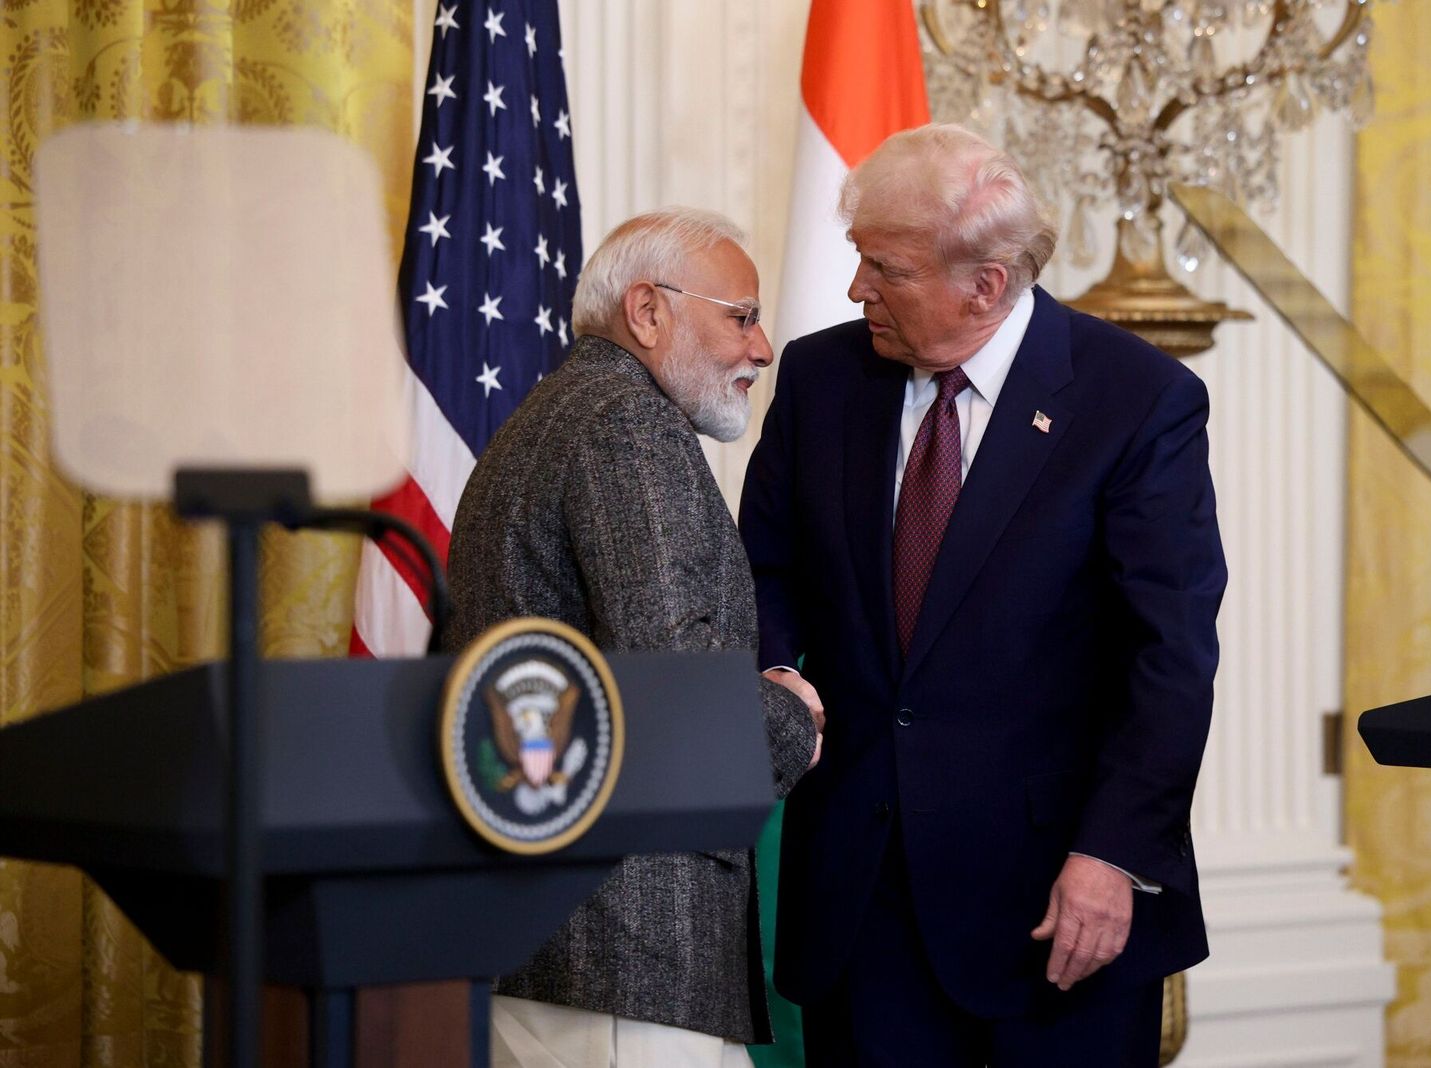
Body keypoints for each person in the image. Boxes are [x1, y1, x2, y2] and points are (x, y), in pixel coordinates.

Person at [739, 124, 1226, 1066]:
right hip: (862, 901)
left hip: (1056, 906)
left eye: (886, 268)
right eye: (857, 259)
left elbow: (1167, 655)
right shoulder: (822, 380)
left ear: (986, 284)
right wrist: (771, 672)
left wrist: (1115, 854)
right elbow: (765, 567)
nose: (856, 290)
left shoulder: (1136, 400)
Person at [444, 207, 821, 1068]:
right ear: (648, 312)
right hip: (627, 947)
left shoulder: (555, 415)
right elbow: (673, 679)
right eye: (742, 315)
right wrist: (794, 718)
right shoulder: (624, 423)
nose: (762, 349)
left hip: (560, 940)